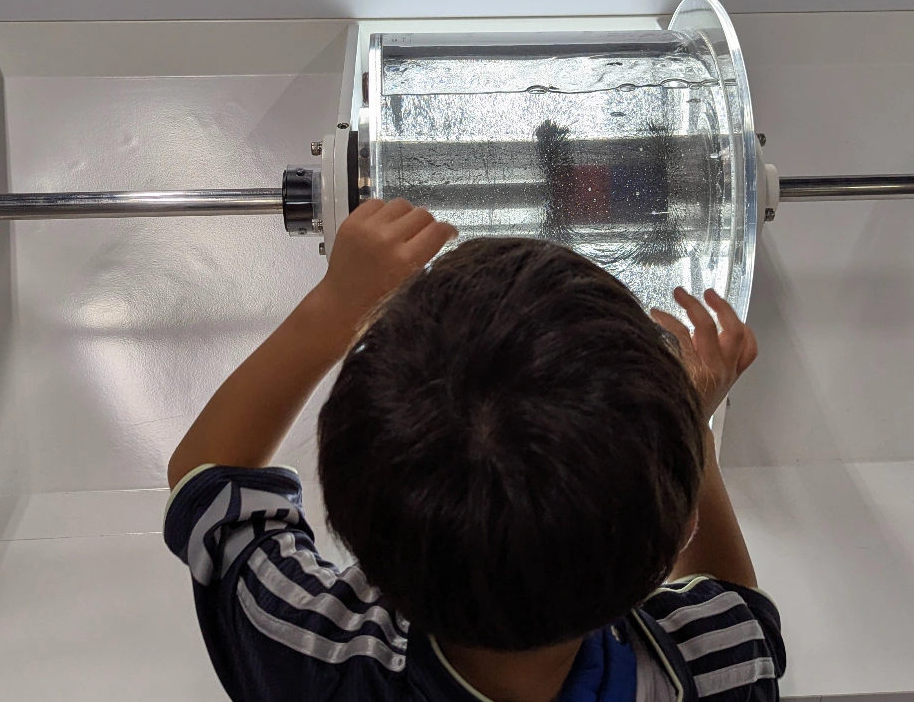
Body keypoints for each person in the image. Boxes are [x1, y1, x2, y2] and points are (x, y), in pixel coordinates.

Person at [165, 198, 785, 701]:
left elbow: (208, 473)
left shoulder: (309, 654)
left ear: (355, 533)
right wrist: (691, 427)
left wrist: (335, 306)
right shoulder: (717, 667)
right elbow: (736, 603)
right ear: (681, 531)